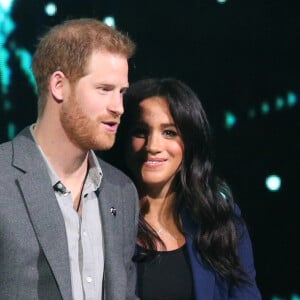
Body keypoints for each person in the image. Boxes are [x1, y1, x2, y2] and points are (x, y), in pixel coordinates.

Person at [0, 18, 139, 300]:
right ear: (59, 86)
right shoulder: (3, 178)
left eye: (122, 92)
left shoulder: (122, 191)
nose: (119, 107)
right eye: (104, 89)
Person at [103, 78, 262, 299]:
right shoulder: (101, 217)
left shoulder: (220, 219)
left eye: (169, 132)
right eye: (140, 131)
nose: (153, 146)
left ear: (190, 142)